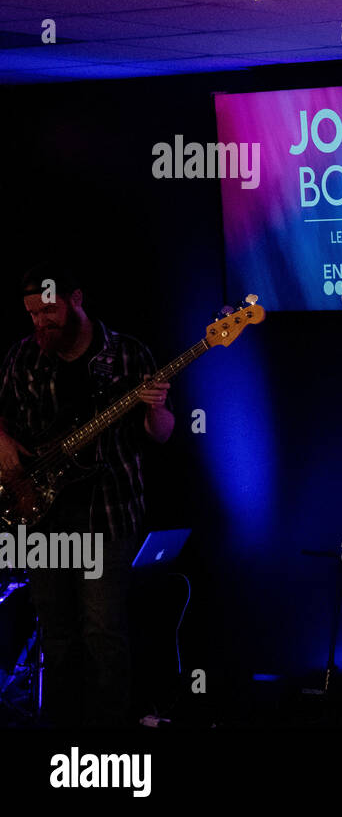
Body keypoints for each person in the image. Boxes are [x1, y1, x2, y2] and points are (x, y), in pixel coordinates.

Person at [0, 263, 173, 727]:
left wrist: (156, 408)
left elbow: (160, 434)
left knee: (104, 635)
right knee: (56, 636)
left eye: (49, 311)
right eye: (32, 314)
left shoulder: (128, 354)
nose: (41, 323)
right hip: (39, 516)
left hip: (107, 515)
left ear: (76, 299)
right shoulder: (23, 357)